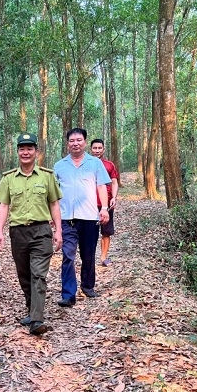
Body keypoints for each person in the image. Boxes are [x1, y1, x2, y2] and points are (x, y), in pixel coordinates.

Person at [0, 133, 63, 335]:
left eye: (30, 148)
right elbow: (4, 205)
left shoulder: (47, 176)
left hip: (41, 231)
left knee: (38, 275)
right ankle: (32, 310)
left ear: (36, 152)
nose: (26, 152)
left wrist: (59, 230)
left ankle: (36, 319)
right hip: (18, 232)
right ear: (17, 152)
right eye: (22, 149)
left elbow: (54, 204)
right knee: (24, 275)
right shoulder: (8, 179)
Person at [53, 128, 111, 307]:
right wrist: (52, 217)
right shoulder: (59, 165)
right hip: (66, 219)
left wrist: (105, 208)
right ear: (67, 143)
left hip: (89, 217)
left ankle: (87, 285)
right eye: (72, 140)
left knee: (88, 255)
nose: (75, 143)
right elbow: (53, 194)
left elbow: (101, 187)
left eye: (79, 140)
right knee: (68, 256)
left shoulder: (95, 163)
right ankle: (68, 294)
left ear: (85, 142)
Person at [89, 139, 119, 267]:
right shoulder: (86, 164)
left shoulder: (109, 165)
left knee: (106, 231)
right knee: (89, 231)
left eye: (99, 148)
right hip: (90, 203)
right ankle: (89, 258)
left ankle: (103, 257)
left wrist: (114, 197)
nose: (97, 150)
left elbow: (114, 182)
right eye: (94, 148)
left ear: (103, 149)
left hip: (106, 203)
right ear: (91, 149)